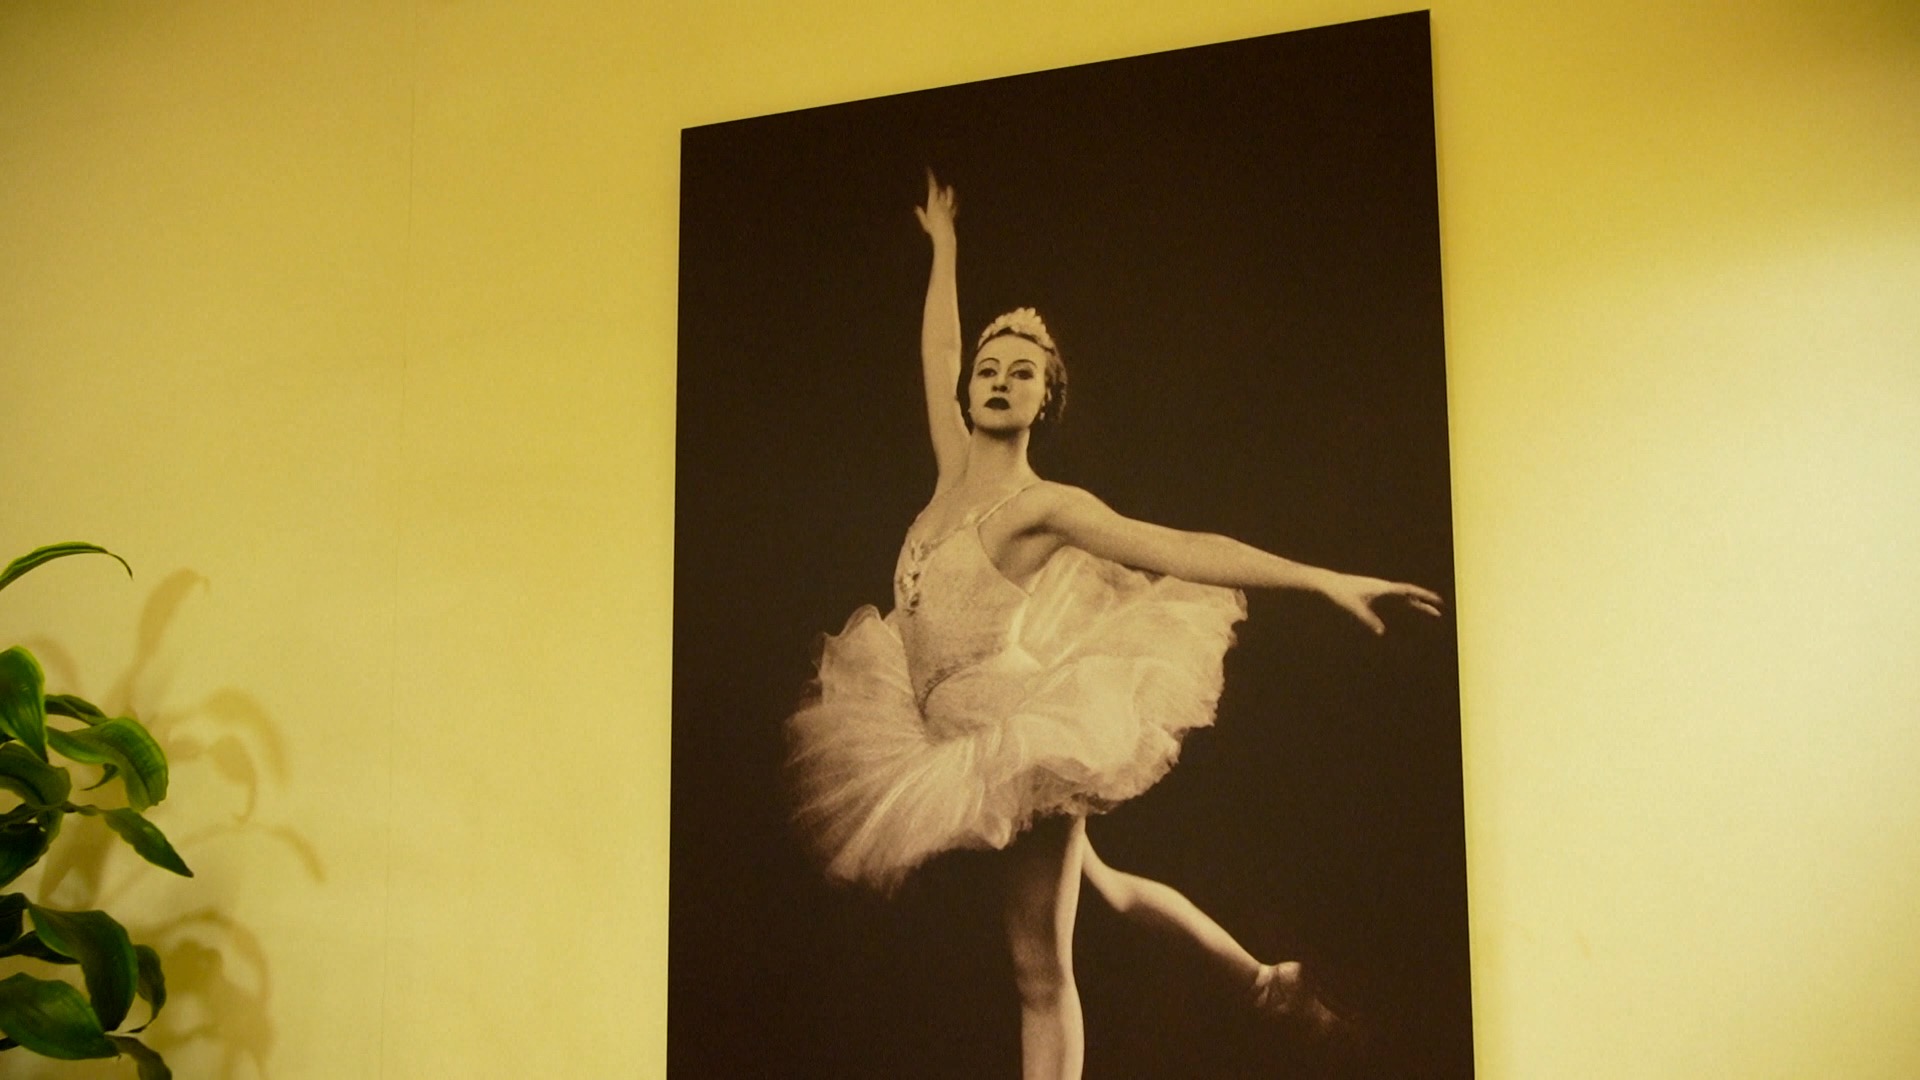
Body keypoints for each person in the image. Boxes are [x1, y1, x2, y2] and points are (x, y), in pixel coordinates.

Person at [786, 173, 1443, 1080]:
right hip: (930, 726)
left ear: (1044, 401)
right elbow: (939, 348)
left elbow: (1178, 548)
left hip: (1014, 741)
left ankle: (1251, 991)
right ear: (968, 393)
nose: (999, 380)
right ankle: (1265, 982)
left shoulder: (1044, 506)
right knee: (1101, 890)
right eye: (988, 370)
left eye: (1022, 373)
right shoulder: (948, 476)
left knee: (1038, 970)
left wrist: (1321, 579)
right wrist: (945, 246)